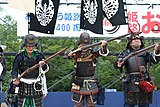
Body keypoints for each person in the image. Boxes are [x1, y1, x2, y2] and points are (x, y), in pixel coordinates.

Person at [114, 32, 160, 107]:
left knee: (144, 103)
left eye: (138, 39)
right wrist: (119, 63)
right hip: (130, 81)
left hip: (143, 79)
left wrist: (156, 51)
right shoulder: (125, 53)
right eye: (134, 40)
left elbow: (154, 60)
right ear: (130, 43)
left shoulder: (145, 53)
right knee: (129, 104)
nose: (137, 41)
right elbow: (117, 64)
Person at [67, 32, 109, 107]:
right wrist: (69, 54)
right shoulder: (76, 51)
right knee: (78, 104)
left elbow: (103, 52)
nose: (84, 47)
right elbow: (67, 55)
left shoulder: (93, 52)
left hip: (91, 81)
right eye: (83, 45)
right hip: (78, 81)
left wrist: (104, 46)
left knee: (91, 104)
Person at [11, 34, 49, 107]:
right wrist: (15, 79)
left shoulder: (39, 55)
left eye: (32, 46)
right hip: (23, 85)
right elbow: (14, 70)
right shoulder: (20, 56)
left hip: (36, 85)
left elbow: (45, 69)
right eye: (29, 46)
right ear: (25, 46)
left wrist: (42, 64)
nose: (30, 48)